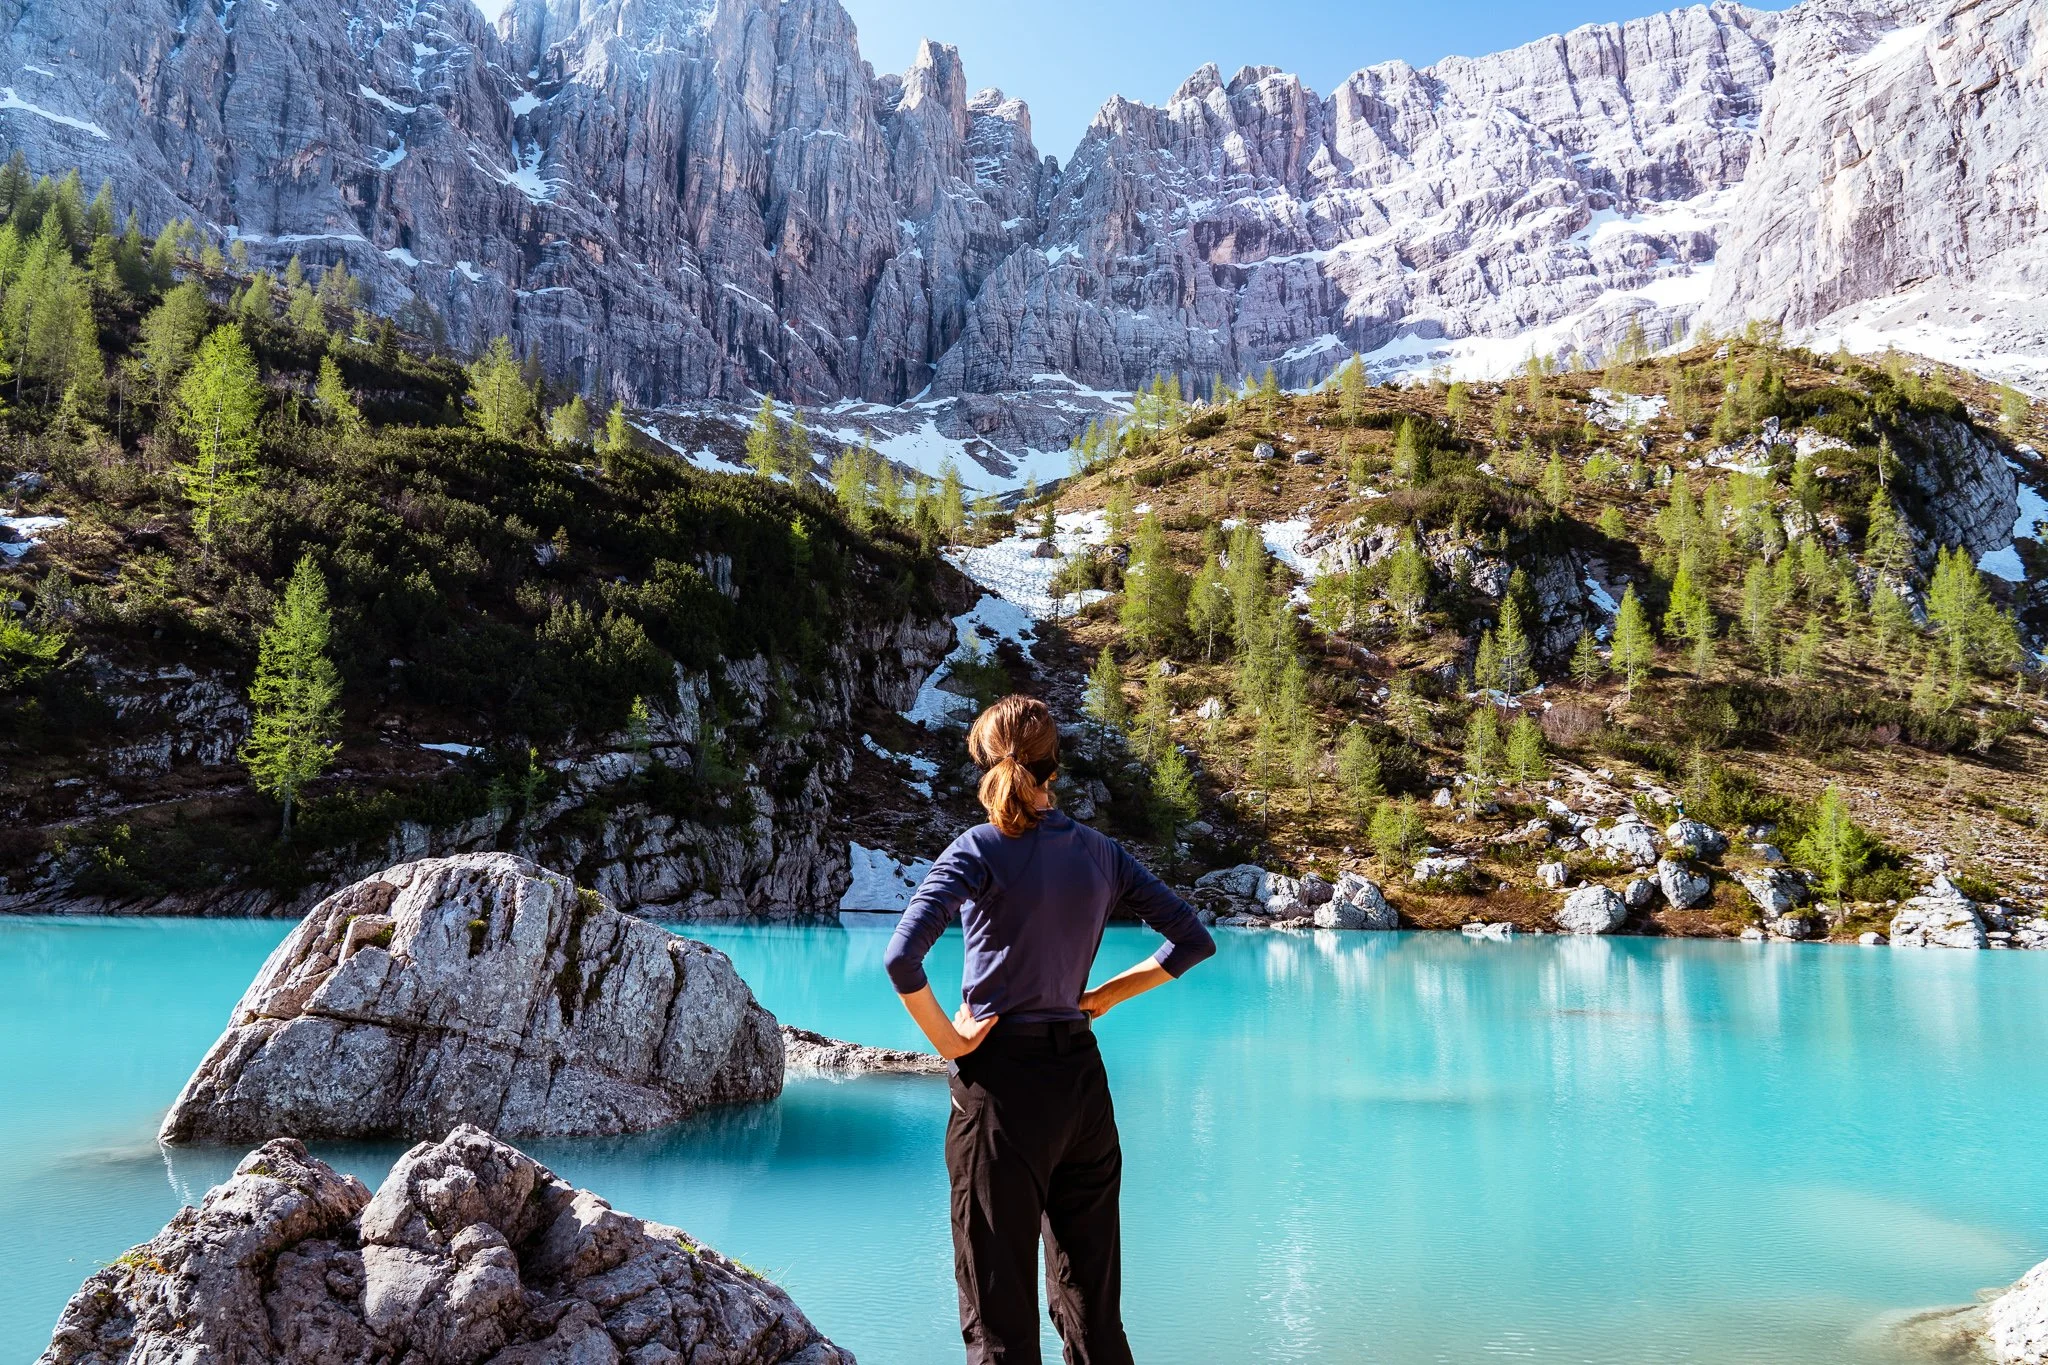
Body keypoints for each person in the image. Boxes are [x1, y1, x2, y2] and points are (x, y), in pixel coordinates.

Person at [884, 693, 1216, 1365]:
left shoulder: (977, 848)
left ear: (988, 766)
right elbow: (1191, 939)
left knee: (999, 1324)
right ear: (1053, 768)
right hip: (1082, 1089)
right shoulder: (1101, 853)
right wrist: (1102, 998)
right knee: (1093, 1312)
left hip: (1001, 1090)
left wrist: (950, 1042)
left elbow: (901, 958)